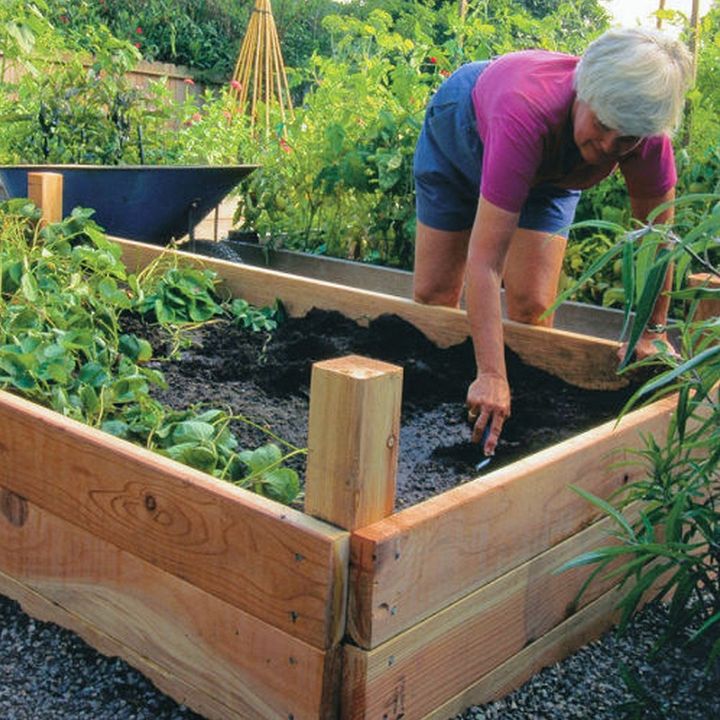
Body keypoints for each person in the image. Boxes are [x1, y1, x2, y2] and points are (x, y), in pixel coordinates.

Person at [411, 28, 693, 458]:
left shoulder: (644, 133)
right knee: (435, 294)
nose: (605, 148)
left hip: (549, 172)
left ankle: (513, 422)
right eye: (601, 127)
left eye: (624, 142)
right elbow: (485, 263)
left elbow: (657, 238)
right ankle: (453, 401)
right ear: (583, 90)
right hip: (462, 133)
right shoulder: (526, 109)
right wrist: (490, 373)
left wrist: (652, 330)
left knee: (531, 306)